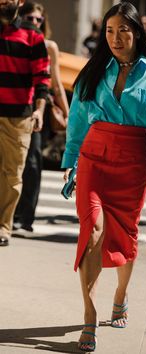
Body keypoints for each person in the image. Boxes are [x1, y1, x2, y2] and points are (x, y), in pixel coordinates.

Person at [61, 2, 146, 352]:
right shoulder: (94, 69)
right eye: (109, 30)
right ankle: (89, 314)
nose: (115, 37)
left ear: (137, 32)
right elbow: (78, 117)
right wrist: (70, 158)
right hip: (94, 156)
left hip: (131, 161)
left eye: (122, 30)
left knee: (124, 235)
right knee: (92, 229)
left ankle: (121, 294)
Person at [13, 1, 69, 233]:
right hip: (16, 107)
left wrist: (68, 115)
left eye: (39, 19)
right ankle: (12, 212)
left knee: (33, 161)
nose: (35, 23)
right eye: (30, 18)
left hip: (39, 110)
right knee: (14, 163)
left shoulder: (49, 46)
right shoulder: (15, 39)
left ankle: (26, 216)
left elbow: (56, 83)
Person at [0, 0, 49, 247]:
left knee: (12, 175)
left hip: (19, 116)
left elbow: (43, 78)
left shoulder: (33, 34)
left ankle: (3, 227)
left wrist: (39, 111)